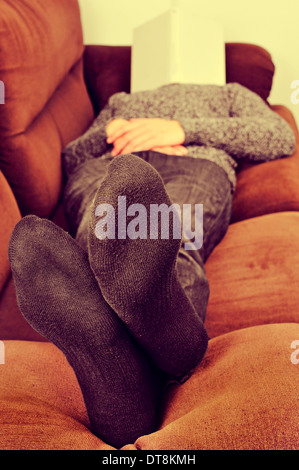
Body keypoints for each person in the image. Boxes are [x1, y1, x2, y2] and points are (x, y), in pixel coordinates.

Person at [8, 81, 295, 448]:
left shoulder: (231, 93)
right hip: (105, 170)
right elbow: (72, 157)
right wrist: (105, 134)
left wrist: (180, 129)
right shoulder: (122, 101)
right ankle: (171, 346)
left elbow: (278, 135)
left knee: (173, 245)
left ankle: (127, 389)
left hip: (192, 163)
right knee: (99, 249)